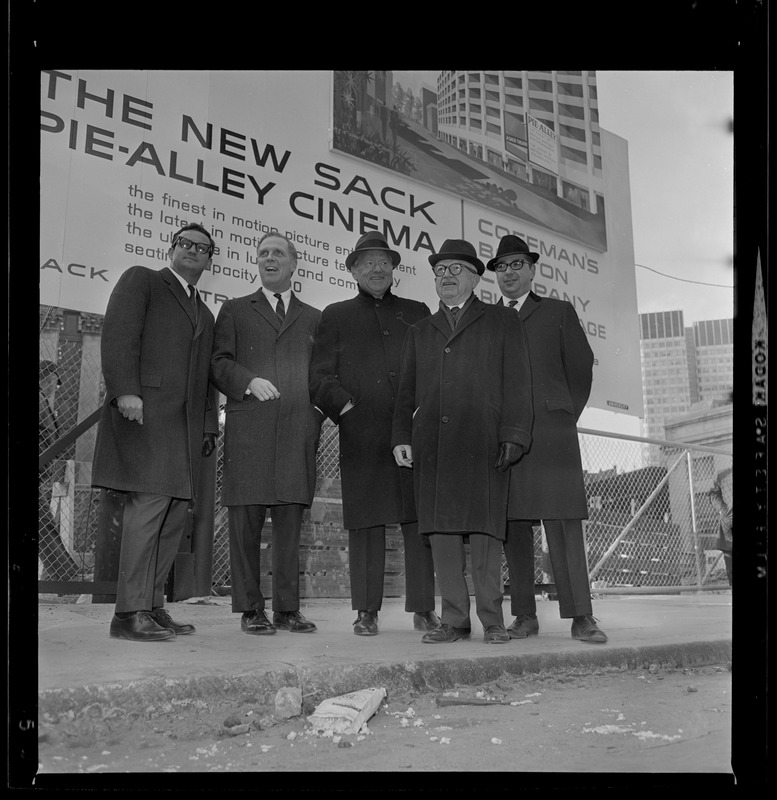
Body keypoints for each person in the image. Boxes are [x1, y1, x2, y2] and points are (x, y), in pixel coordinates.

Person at [392, 238, 533, 644]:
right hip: (433, 446)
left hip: (484, 441)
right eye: (440, 271)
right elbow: (406, 391)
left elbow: (518, 384)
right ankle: (454, 619)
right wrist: (401, 435)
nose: (446, 277)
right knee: (442, 532)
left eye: (455, 270)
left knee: (488, 531)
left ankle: (492, 619)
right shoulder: (420, 330)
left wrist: (514, 434)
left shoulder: (502, 321)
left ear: (474, 277)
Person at [91, 223, 219, 642]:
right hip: (145, 415)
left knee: (172, 515)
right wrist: (125, 390)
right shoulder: (142, 279)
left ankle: (152, 606)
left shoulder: (203, 310)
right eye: (186, 243)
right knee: (148, 509)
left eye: (203, 248)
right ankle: (127, 612)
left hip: (183, 430)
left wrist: (206, 426)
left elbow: (203, 378)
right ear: (172, 248)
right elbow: (119, 335)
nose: (193, 251)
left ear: (209, 259)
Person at [310, 231, 439, 636]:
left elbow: (435, 367)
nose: (377, 268)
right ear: (352, 270)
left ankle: (422, 608)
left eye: (384, 261)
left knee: (418, 520)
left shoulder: (417, 311)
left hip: (414, 431)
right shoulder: (335, 314)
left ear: (394, 268)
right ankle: (366, 611)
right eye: (367, 262)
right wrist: (347, 409)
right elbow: (319, 376)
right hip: (362, 434)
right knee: (365, 523)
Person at [489, 234, 608, 644]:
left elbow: (581, 371)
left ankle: (582, 616)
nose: (509, 273)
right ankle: (524, 615)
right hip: (508, 438)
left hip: (553, 436)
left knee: (563, 526)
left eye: (516, 264)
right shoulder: (488, 318)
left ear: (532, 269)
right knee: (515, 528)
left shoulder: (557, 311)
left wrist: (561, 414)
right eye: (501, 267)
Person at [211, 232, 322, 636]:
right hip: (249, 431)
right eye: (263, 254)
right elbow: (219, 362)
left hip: (297, 432)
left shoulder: (314, 317)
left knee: (290, 527)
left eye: (278, 253)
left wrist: (316, 414)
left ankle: (288, 610)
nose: (269, 258)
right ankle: (250, 609)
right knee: (245, 526)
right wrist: (247, 381)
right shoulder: (235, 310)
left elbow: (324, 375)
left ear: (294, 264)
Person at [38, 360, 79, 580]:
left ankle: (60, 572)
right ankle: (63, 574)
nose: (54, 386)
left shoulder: (43, 400)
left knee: (43, 522)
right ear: (46, 378)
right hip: (38, 467)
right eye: (53, 381)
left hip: (41, 469)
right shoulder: (39, 399)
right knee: (43, 523)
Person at [708, 466, 733, 587]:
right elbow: (713, 495)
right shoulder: (722, 474)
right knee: (730, 565)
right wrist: (723, 510)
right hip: (729, 522)